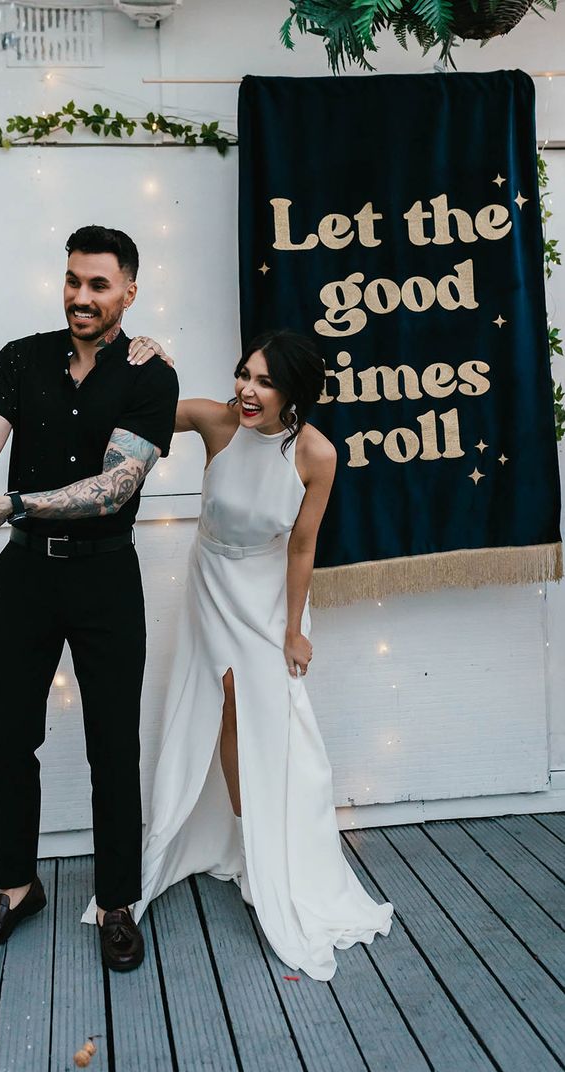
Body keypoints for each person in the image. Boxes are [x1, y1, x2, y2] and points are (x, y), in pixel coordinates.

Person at [0, 225, 178, 973]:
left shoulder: (152, 376)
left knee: (112, 745)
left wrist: (12, 504)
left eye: (99, 285)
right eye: (73, 281)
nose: (82, 297)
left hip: (107, 579)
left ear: (129, 293)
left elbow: (114, 487)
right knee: (11, 739)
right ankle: (16, 890)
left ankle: (117, 901)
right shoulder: (21, 356)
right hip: (25, 579)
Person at [82, 329, 393, 981]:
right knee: (222, 710)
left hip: (271, 595)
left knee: (277, 723)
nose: (247, 391)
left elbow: (303, 545)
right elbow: (124, 414)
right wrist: (145, 362)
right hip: (213, 584)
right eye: (243, 374)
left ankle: (282, 851)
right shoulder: (213, 421)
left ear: (296, 393)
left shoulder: (316, 454)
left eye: (264, 381)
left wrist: (295, 630)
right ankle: (246, 840)